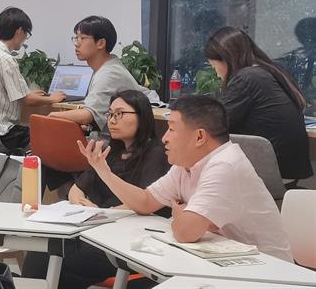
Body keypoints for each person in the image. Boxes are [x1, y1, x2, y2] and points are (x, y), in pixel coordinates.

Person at [77, 95, 293, 262]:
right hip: (217, 257)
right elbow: (145, 202)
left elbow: (185, 232)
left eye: (171, 129)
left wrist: (179, 215)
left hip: (264, 269)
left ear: (199, 136)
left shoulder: (225, 165)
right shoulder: (186, 164)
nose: (164, 138)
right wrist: (105, 172)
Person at [21, 90, 170, 288]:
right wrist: (83, 205)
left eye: (120, 114)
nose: (112, 120)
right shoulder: (110, 151)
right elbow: (76, 189)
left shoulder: (156, 154)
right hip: (96, 230)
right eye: (110, 114)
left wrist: (102, 213)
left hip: (127, 240)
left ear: (141, 117)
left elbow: (146, 202)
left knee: (47, 258)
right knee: (42, 251)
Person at [204, 26, 312, 182]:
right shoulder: (269, 71)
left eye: (214, 66)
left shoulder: (247, 78)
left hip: (269, 173)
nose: (216, 73)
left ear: (227, 59)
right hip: (287, 170)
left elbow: (216, 124)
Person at [0, 7, 66, 151]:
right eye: (27, 34)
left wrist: (28, 94)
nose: (25, 39)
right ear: (19, 31)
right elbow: (27, 101)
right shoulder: (5, 59)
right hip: (0, 133)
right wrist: (52, 99)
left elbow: (8, 92)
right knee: (46, 136)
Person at [48, 15, 156, 131]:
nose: (77, 43)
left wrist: (52, 116)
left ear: (100, 43)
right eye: (76, 38)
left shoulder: (109, 73)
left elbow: (88, 115)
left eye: (82, 38)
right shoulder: (106, 67)